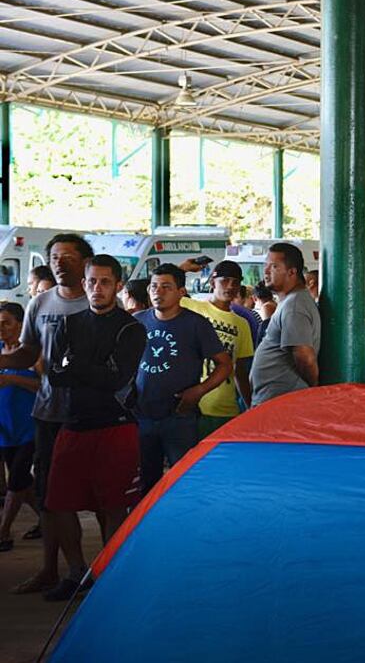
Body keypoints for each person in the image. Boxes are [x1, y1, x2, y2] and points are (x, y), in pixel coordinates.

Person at [44, 255, 146, 600]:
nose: (97, 288)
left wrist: (76, 366)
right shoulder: (68, 324)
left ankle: (107, 575)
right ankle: (76, 573)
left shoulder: (131, 328)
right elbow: (55, 376)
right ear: (83, 283)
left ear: (118, 285)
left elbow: (116, 378)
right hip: (73, 424)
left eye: (105, 282)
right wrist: (90, 369)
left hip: (115, 427)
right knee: (57, 503)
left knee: (114, 506)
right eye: (91, 281)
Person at [1, 234, 93, 596]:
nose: (59, 262)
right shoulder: (40, 303)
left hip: (92, 416)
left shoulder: (98, 302)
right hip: (48, 413)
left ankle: (98, 571)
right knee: (50, 496)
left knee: (96, 498)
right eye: (55, 256)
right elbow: (27, 353)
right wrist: (5, 362)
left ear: (86, 261)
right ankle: (54, 569)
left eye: (68, 256)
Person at [135, 264, 231, 494]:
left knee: (184, 481)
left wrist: (198, 391)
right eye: (154, 287)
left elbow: (225, 365)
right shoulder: (137, 321)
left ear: (181, 292)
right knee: (144, 483)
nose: (158, 292)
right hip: (141, 415)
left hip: (179, 416)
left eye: (166, 287)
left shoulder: (196, 324)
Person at [178, 261, 254, 438]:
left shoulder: (242, 324)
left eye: (235, 282)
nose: (230, 286)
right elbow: (160, 289)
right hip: (189, 402)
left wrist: (249, 405)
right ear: (213, 282)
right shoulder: (192, 307)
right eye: (225, 280)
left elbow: (240, 370)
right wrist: (183, 269)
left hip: (224, 408)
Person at [250, 244, 320, 406]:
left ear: (292, 272)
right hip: (274, 400)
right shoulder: (290, 301)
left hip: (281, 403)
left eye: (274, 266)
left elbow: (305, 357)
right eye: (265, 265)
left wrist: (313, 387)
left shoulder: (294, 306)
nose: (266, 271)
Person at [0, 302, 39, 552]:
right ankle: (47, 516)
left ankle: (3, 532)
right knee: (24, 483)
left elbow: (44, 387)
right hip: (5, 429)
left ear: (20, 324)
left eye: (7, 322)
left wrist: (12, 378)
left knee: (16, 480)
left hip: (30, 427)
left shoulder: (33, 355)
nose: (1, 328)